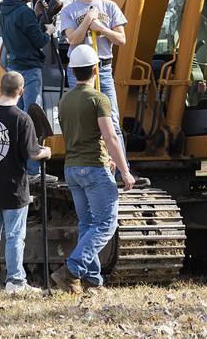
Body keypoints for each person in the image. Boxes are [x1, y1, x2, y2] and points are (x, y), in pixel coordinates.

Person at [51, 45, 135, 293]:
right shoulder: (99, 99)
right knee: (106, 224)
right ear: (96, 69)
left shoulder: (64, 100)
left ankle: (93, 282)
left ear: (72, 71)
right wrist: (124, 170)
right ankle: (72, 270)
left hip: (72, 169)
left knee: (87, 225)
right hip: (94, 168)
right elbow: (110, 137)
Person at [0, 71, 51, 295]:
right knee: (15, 236)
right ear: (21, 91)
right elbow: (33, 153)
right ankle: (15, 281)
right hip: (13, 188)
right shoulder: (22, 118)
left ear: (1, 87)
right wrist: (47, 151)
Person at [61, 0, 127, 150]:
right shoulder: (69, 11)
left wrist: (101, 28)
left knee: (112, 119)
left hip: (103, 69)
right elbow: (73, 40)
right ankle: (86, 163)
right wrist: (87, 20)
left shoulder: (109, 6)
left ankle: (121, 171)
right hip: (79, 72)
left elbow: (121, 39)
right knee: (83, 120)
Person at [0, 0, 57, 179]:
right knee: (34, 118)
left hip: (14, 68)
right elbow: (40, 41)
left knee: (18, 119)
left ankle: (20, 168)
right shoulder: (24, 12)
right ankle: (34, 171)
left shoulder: (5, 11)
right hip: (30, 70)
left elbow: (14, 37)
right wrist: (48, 30)